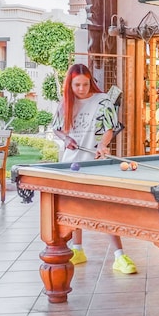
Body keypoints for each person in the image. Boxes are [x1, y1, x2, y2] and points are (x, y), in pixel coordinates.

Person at [52, 63, 137, 274]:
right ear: (69, 85)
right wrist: (66, 139)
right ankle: (78, 250)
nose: (81, 89)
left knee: (104, 209)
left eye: (85, 84)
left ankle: (119, 256)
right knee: (75, 208)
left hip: (95, 163)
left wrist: (102, 145)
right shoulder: (65, 103)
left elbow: (110, 128)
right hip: (71, 163)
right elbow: (57, 128)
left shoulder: (102, 100)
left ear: (91, 82)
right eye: (77, 85)